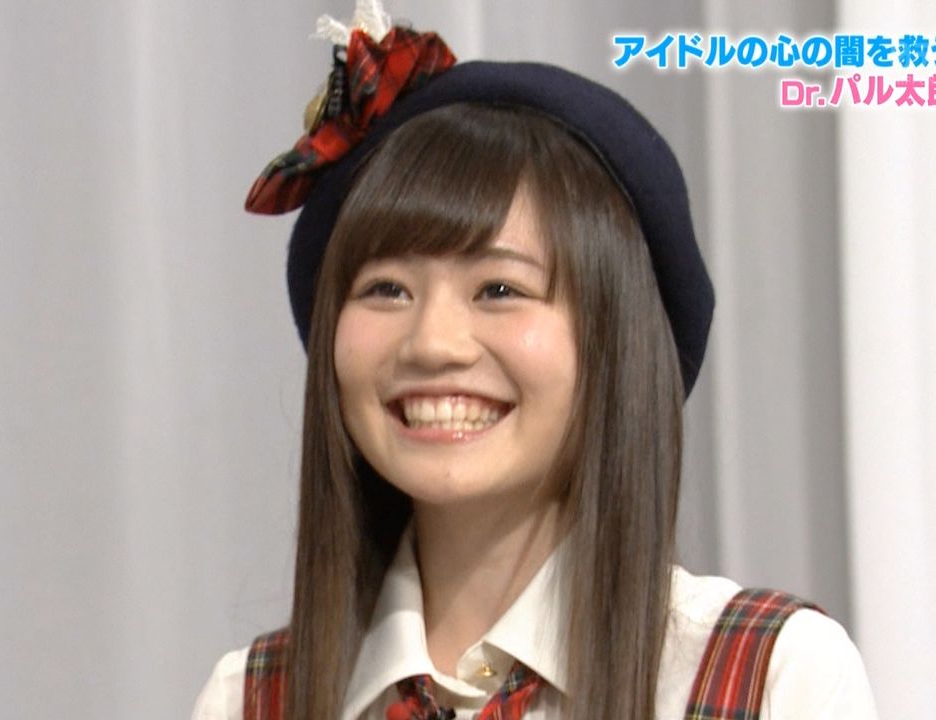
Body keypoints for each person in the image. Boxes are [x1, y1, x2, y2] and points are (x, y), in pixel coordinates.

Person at [194, 3, 877, 718]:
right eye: (386, 289)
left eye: (499, 289)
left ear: (616, 340)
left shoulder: (770, 676)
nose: (432, 343)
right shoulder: (251, 699)